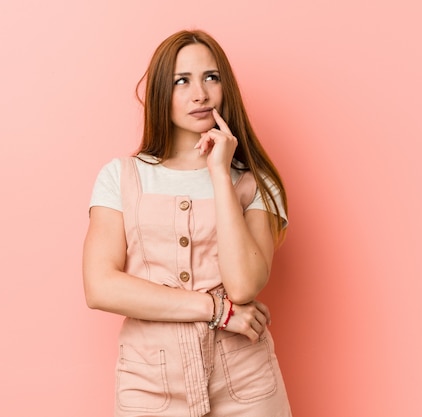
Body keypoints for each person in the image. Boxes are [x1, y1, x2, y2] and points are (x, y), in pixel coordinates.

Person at [83, 29, 292, 417]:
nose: (200, 93)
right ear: (163, 92)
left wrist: (218, 173)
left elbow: (244, 284)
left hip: (246, 385)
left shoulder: (255, 183)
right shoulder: (121, 176)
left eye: (211, 77)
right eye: (182, 81)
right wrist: (215, 310)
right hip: (148, 388)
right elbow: (100, 287)